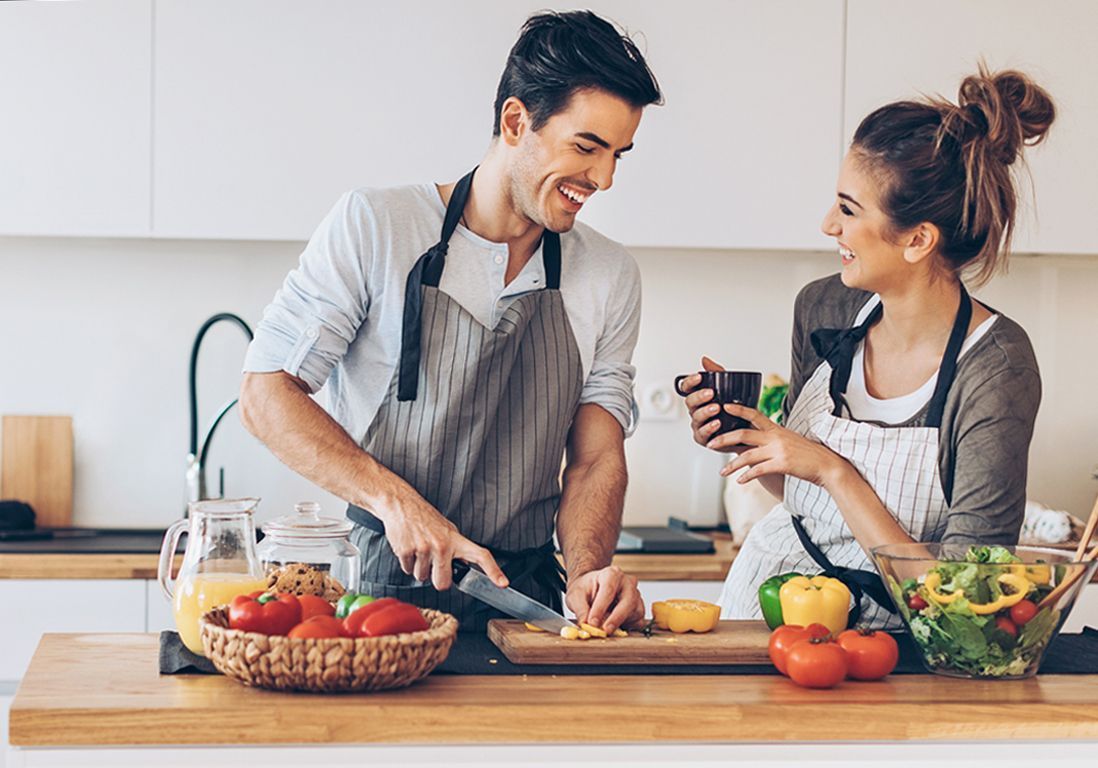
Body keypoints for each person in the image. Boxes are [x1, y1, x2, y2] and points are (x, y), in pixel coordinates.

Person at [239, 11, 662, 633]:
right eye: (586, 147)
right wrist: (396, 502)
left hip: (529, 600)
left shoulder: (609, 273)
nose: (603, 178)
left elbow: (597, 456)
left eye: (618, 154)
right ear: (516, 122)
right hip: (381, 593)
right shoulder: (376, 226)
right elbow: (265, 392)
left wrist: (591, 568)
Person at [681, 65, 1054, 627]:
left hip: (895, 647)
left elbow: (968, 598)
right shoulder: (823, 307)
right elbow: (812, 509)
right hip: (765, 608)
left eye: (849, 209)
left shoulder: (997, 367)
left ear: (918, 239)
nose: (828, 223)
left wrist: (836, 471)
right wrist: (753, 442)